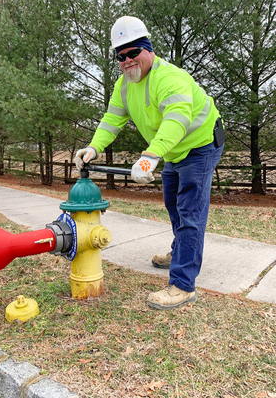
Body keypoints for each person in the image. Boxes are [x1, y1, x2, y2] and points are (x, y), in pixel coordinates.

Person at [75, 16, 225, 310]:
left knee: (190, 211)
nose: (128, 60)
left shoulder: (169, 78)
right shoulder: (124, 86)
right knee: (173, 204)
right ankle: (180, 251)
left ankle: (183, 285)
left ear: (148, 50)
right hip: (170, 151)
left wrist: (150, 156)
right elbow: (112, 120)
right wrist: (94, 147)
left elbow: (177, 118)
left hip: (201, 145)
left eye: (133, 52)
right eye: (121, 56)